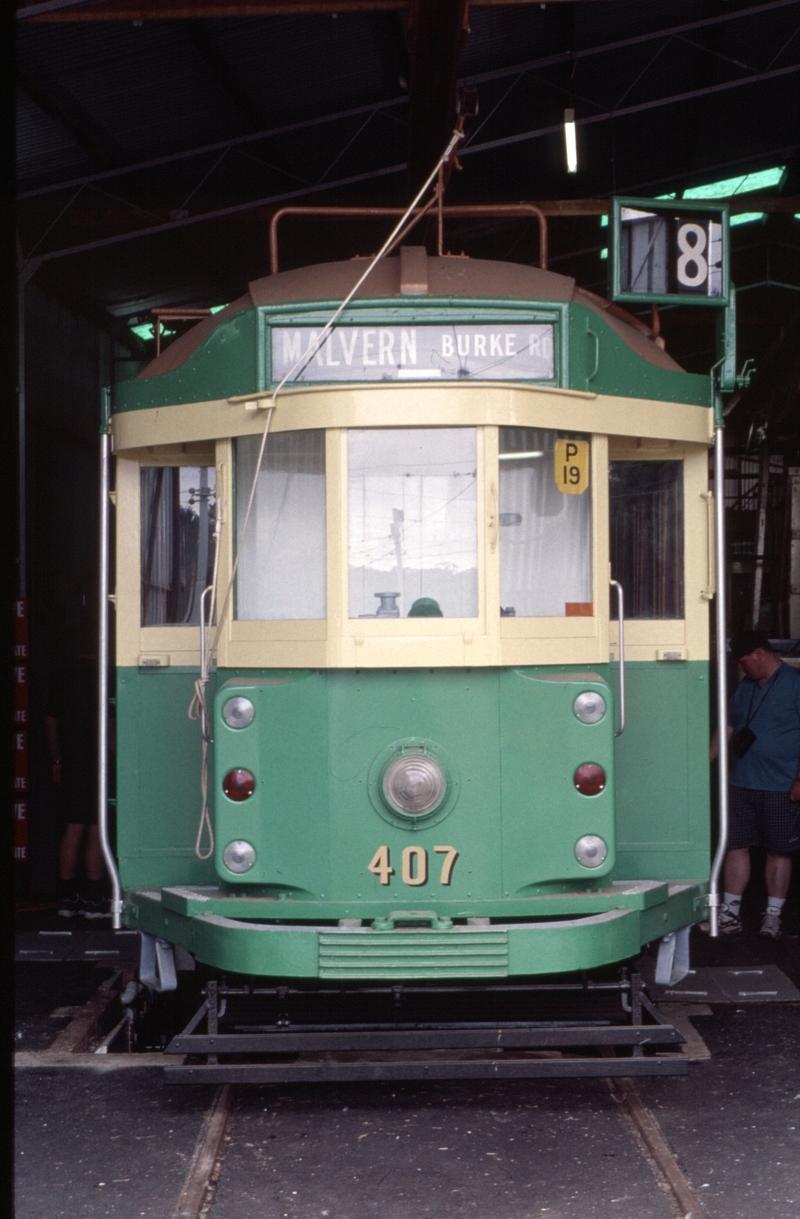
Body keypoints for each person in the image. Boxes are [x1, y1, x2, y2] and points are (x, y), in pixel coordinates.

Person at [708, 630, 800, 937]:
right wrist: (703, 763)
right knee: (736, 846)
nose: (741, 668)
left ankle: (773, 915)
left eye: (744, 661)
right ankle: (730, 914)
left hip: (781, 783)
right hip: (742, 781)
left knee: (778, 851)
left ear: (760, 654)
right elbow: (729, 726)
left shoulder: (795, 683)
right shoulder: (745, 687)